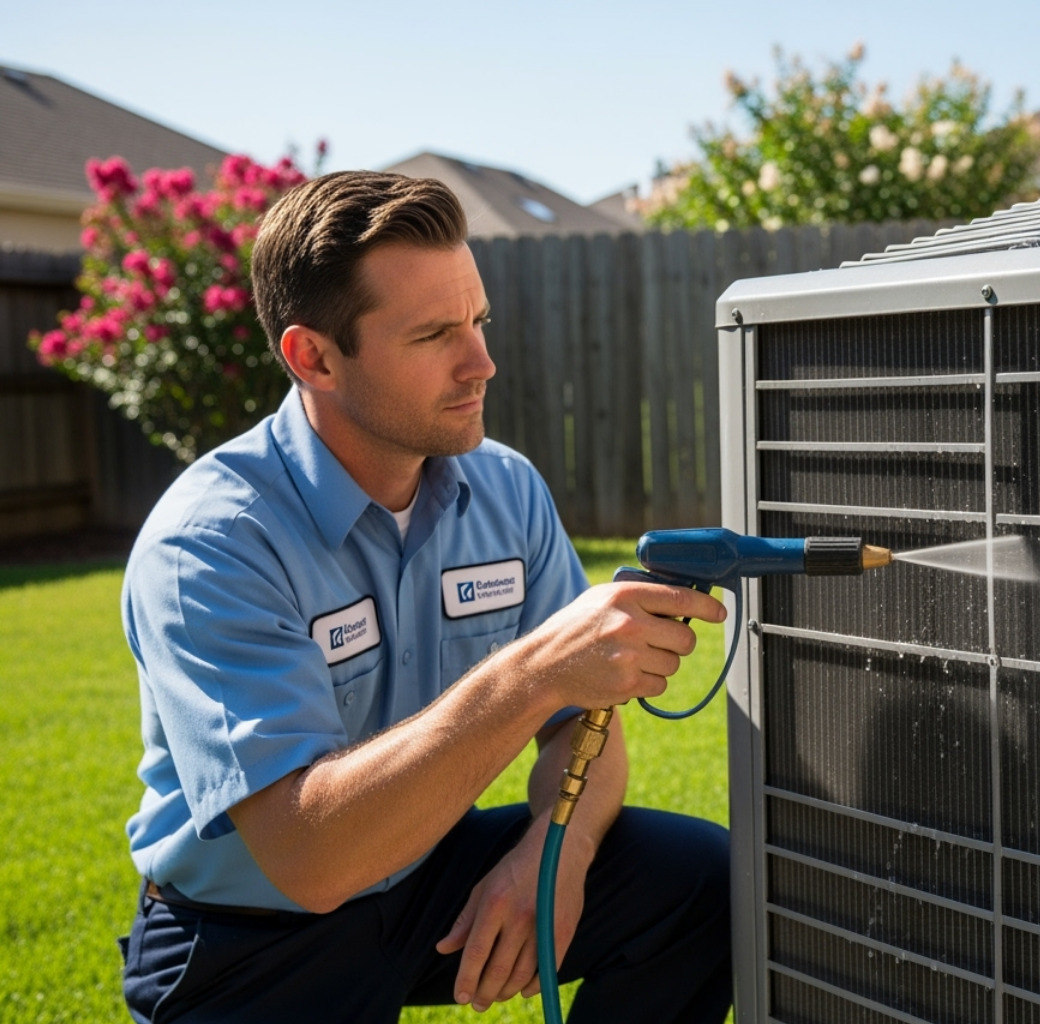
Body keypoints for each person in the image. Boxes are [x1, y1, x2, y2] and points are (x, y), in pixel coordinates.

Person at [117, 170, 732, 1023]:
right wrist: (535, 674)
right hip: (250, 935)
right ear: (314, 357)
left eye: (478, 321)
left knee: (703, 883)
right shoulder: (213, 543)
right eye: (435, 333)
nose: (482, 361)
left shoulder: (506, 490)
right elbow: (311, 857)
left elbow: (582, 733)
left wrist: (552, 858)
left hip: (427, 876)